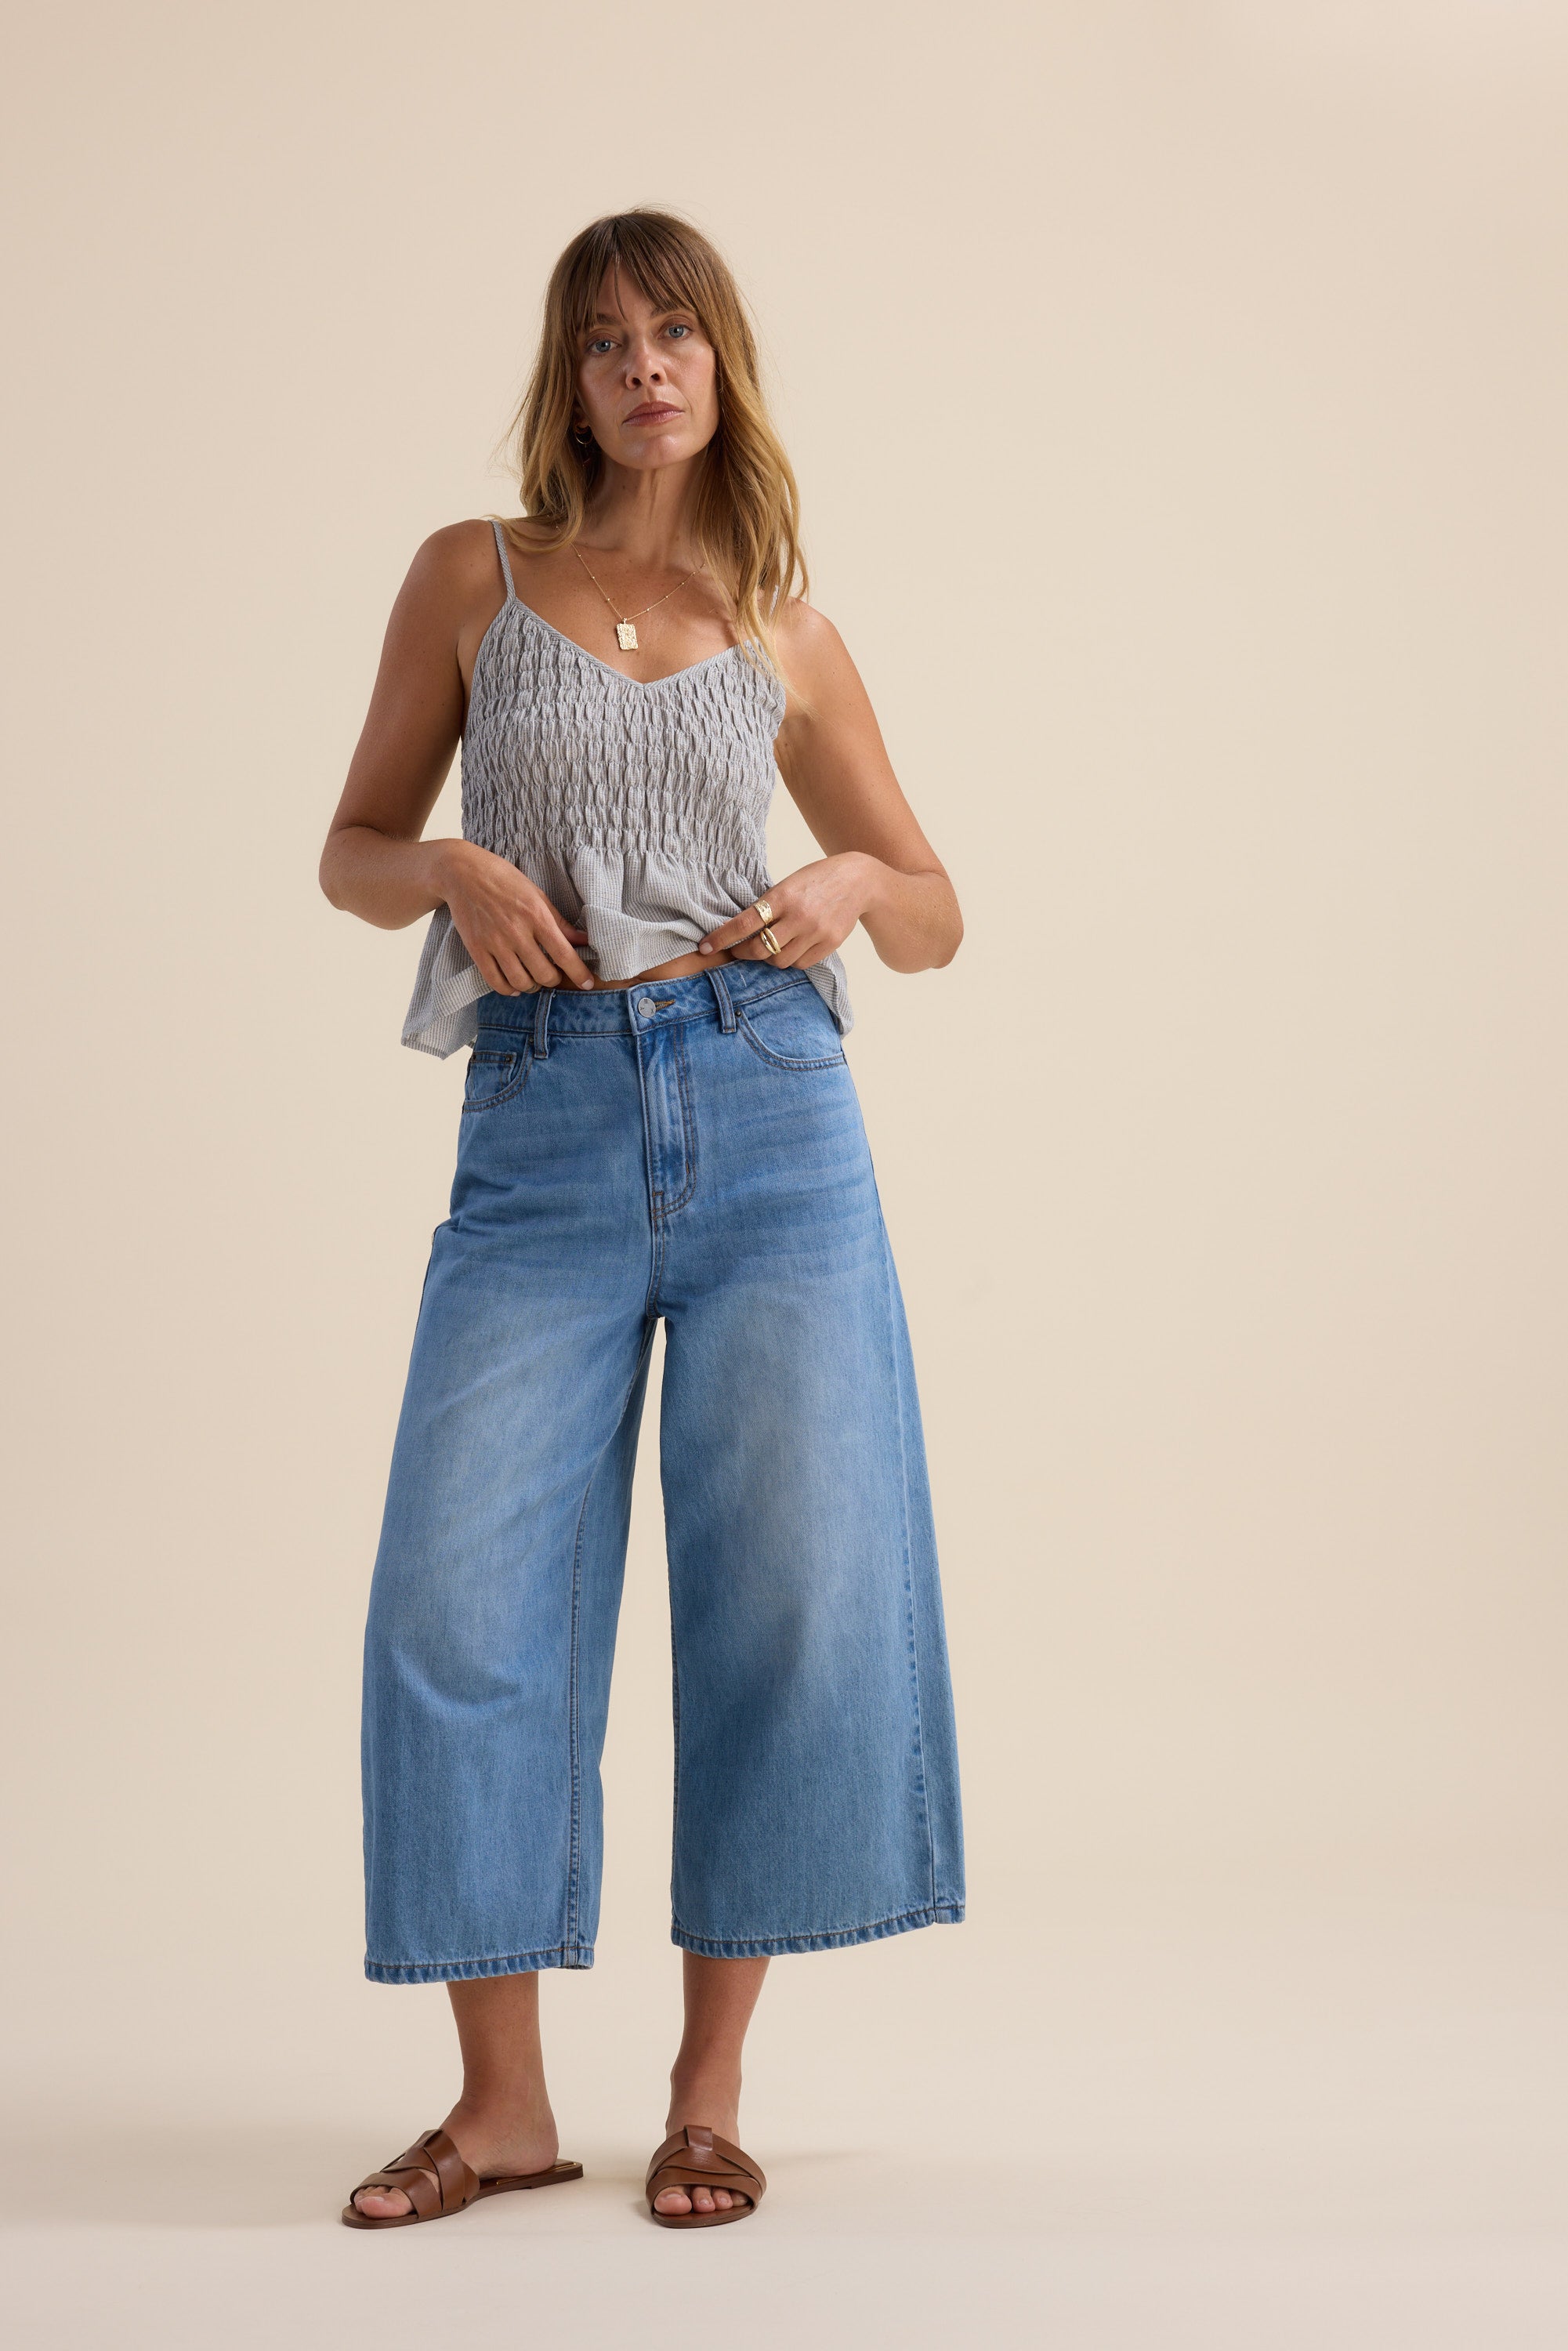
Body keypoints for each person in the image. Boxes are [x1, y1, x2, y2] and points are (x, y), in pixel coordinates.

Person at [318, 208, 965, 2233]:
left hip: (773, 1123)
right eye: (604, 338)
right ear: (569, 377)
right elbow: (344, 850)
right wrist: (439, 871)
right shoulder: (469, 577)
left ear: (722, 363)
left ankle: (706, 2093)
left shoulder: (781, 619)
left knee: (781, 1596)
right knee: (457, 1603)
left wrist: (852, 884)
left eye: (673, 331)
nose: (641, 366)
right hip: (540, 1126)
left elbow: (935, 906)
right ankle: (500, 2110)